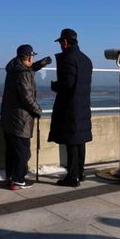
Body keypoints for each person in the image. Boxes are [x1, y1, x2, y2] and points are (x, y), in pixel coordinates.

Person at [0, 44, 51, 190]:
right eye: (32, 56)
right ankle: (19, 179)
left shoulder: (14, 69)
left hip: (9, 118)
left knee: (12, 150)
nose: (32, 58)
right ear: (28, 56)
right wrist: (38, 110)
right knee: (23, 151)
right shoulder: (24, 74)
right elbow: (27, 97)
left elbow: (28, 69)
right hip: (20, 120)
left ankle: (11, 176)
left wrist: (40, 64)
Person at [48, 28, 93, 187]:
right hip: (83, 106)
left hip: (70, 107)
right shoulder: (86, 60)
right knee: (80, 141)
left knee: (72, 142)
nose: (60, 45)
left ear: (65, 42)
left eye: (61, 42)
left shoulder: (68, 59)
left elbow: (67, 85)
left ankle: (72, 177)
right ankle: (80, 173)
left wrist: (55, 86)